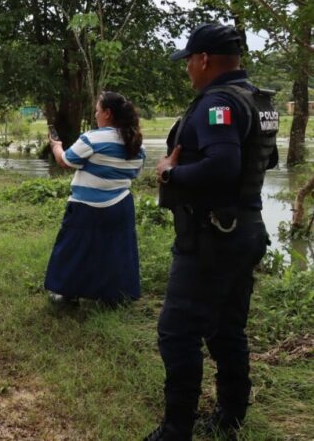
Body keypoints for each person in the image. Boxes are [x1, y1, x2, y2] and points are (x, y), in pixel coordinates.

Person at [146, 23, 279, 441]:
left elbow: (223, 165)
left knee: (177, 330)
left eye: (188, 60)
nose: (187, 68)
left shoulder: (217, 103)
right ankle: (230, 414)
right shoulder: (256, 99)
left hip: (212, 236)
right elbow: (265, 161)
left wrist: (171, 172)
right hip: (247, 229)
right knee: (226, 327)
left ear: (203, 59)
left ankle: (175, 429)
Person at [45, 92, 146, 306]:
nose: (96, 114)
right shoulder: (137, 143)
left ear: (108, 114)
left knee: (73, 250)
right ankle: (116, 296)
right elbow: (134, 172)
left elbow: (65, 161)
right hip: (121, 205)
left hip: (86, 207)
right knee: (116, 251)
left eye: (98, 111)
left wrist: (56, 147)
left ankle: (66, 293)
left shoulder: (93, 138)